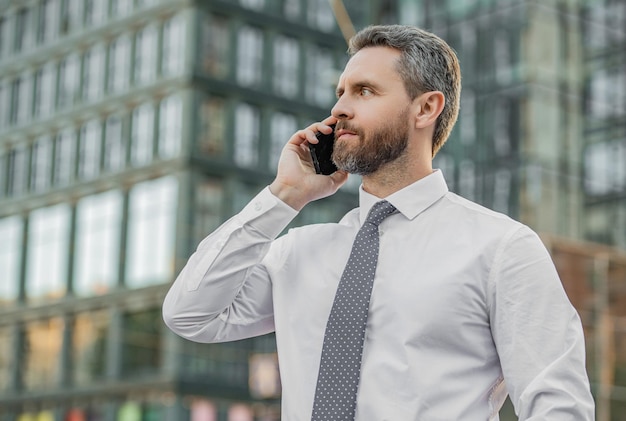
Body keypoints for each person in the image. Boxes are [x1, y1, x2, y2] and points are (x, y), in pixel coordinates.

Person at [163, 24, 595, 420]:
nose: (338, 109)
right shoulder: (298, 251)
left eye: (364, 91)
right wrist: (284, 196)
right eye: (340, 92)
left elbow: (558, 405)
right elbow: (189, 314)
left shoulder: (501, 248)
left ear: (425, 107)